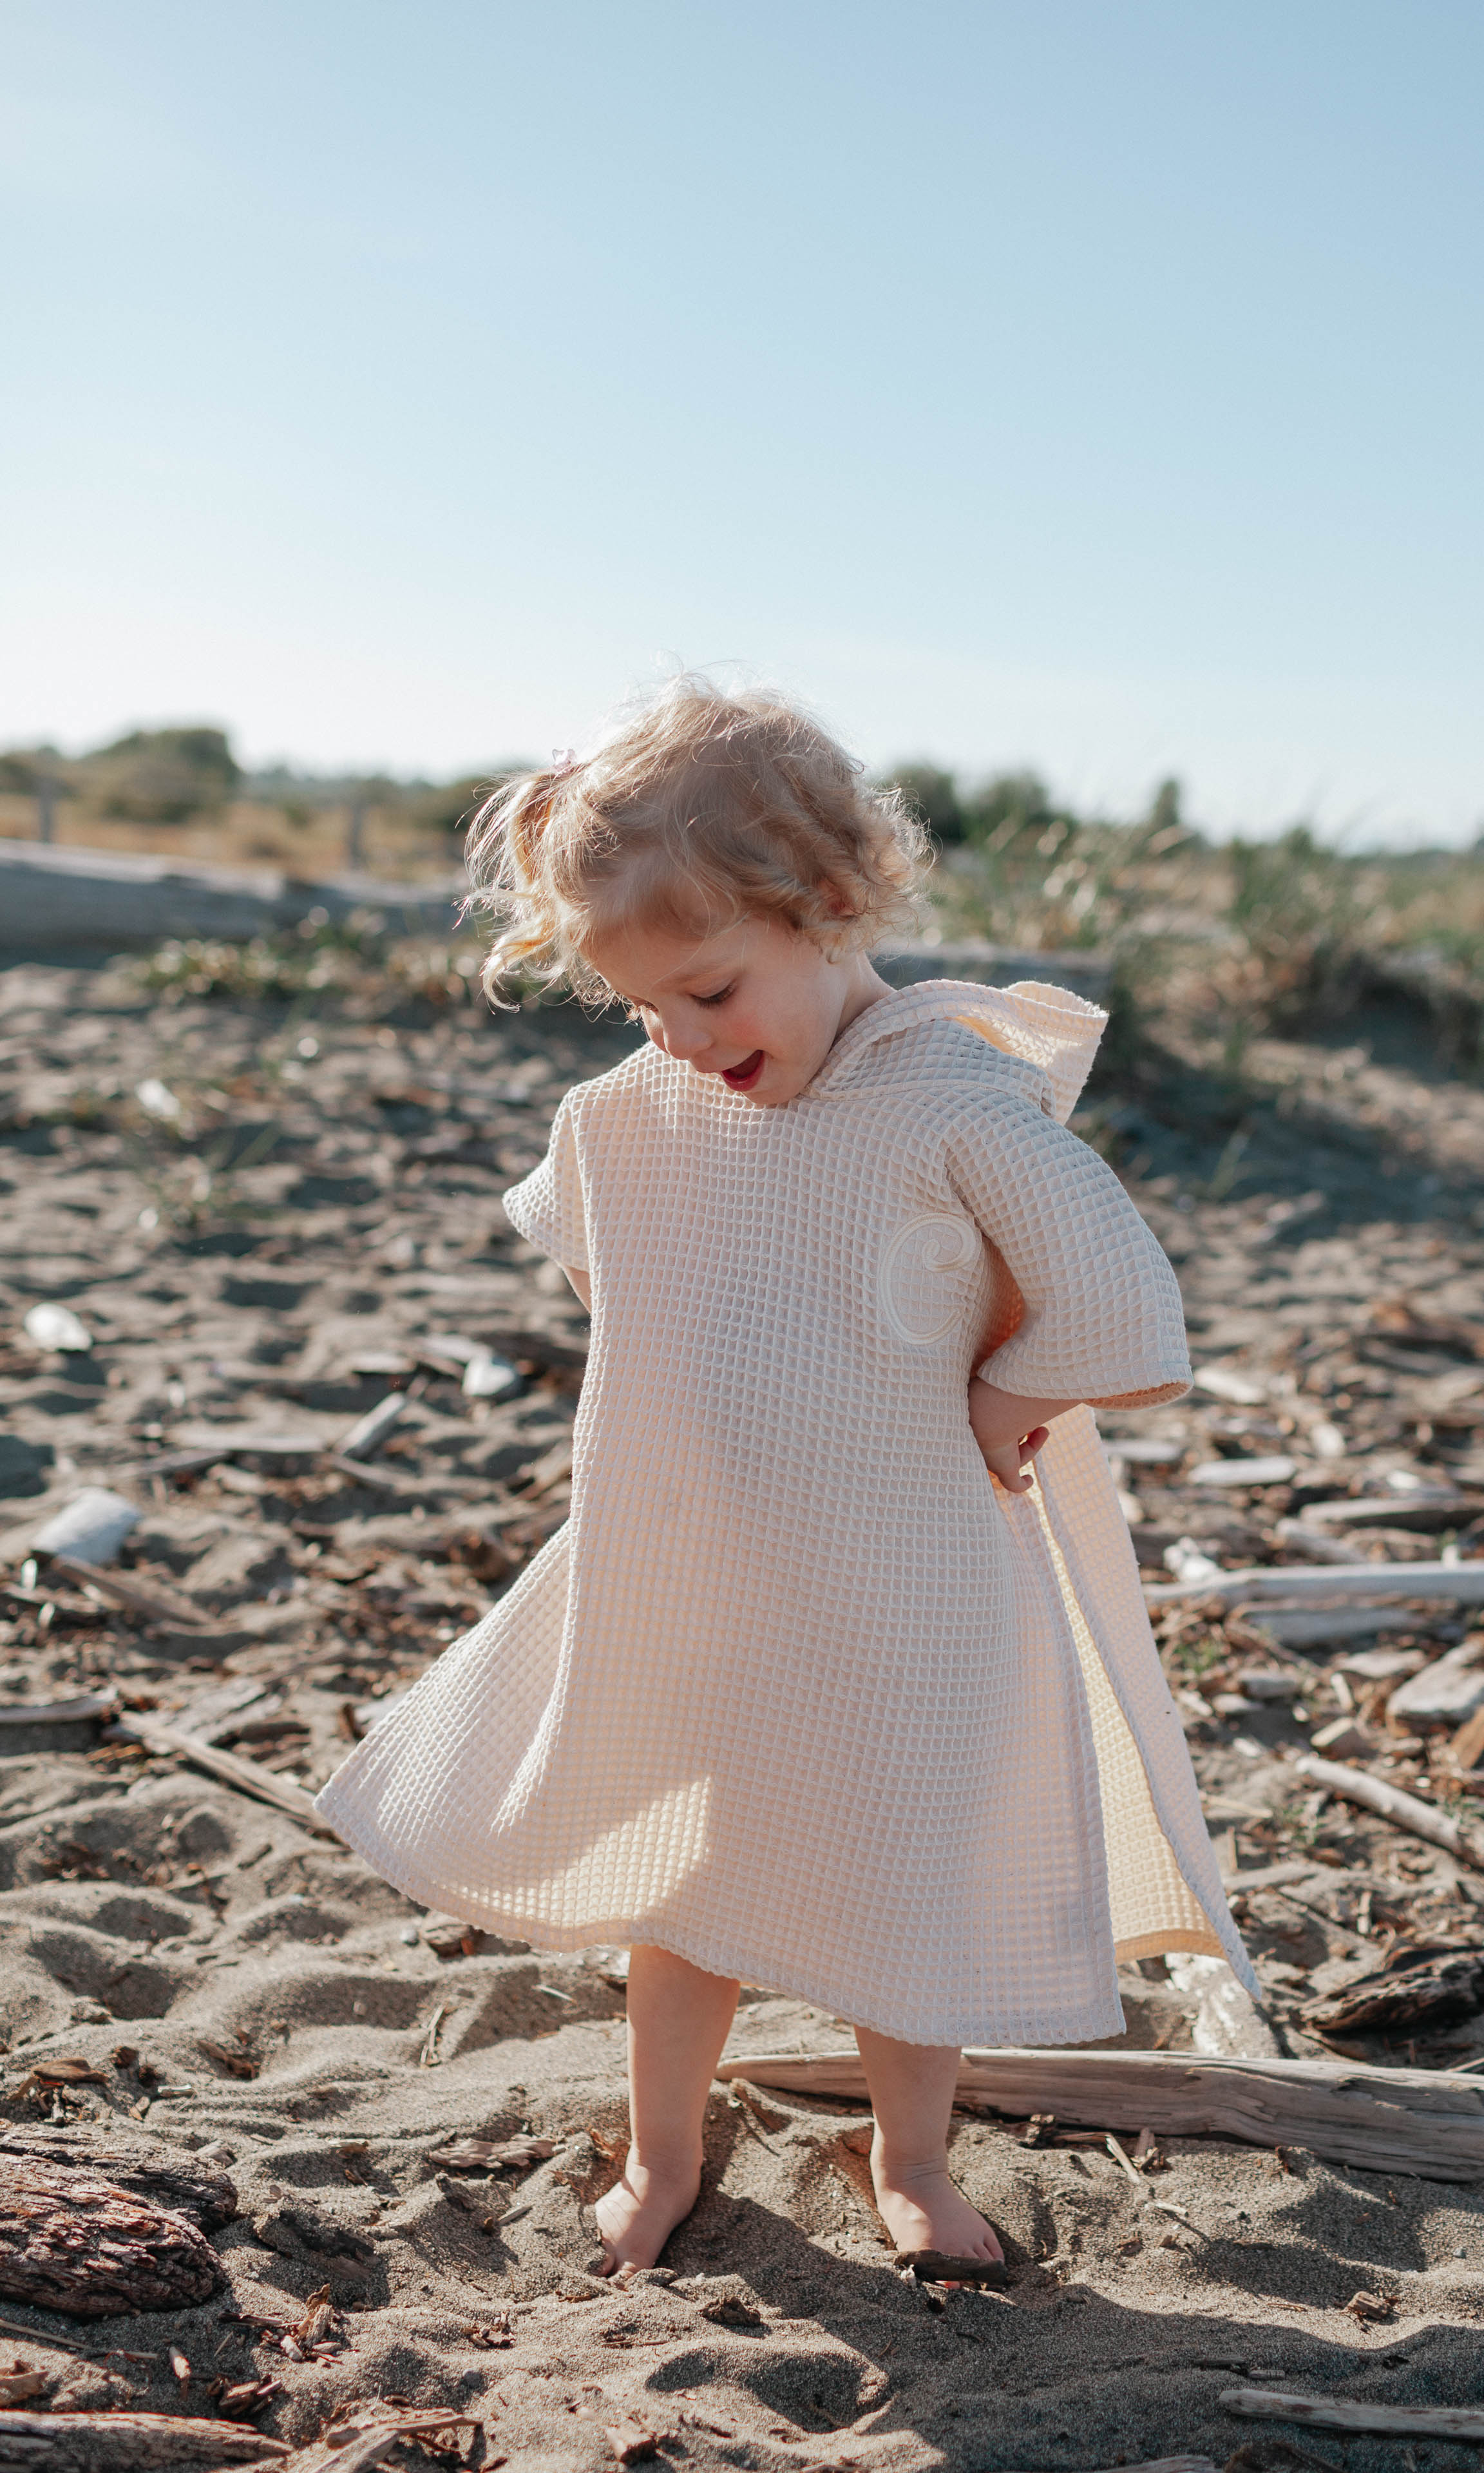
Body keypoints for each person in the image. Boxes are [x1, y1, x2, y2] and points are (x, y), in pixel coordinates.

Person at [317, 677, 1253, 2275]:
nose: (681, 1040)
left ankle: (910, 2165)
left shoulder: (948, 1095)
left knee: (910, 1874)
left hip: (912, 1581)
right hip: (711, 1570)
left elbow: (1124, 1305)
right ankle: (666, 2154)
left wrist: (1006, 1394)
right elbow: (590, 1234)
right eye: (642, 1011)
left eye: (710, 989)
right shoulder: (643, 1105)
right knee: (683, 1878)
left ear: (827, 906)